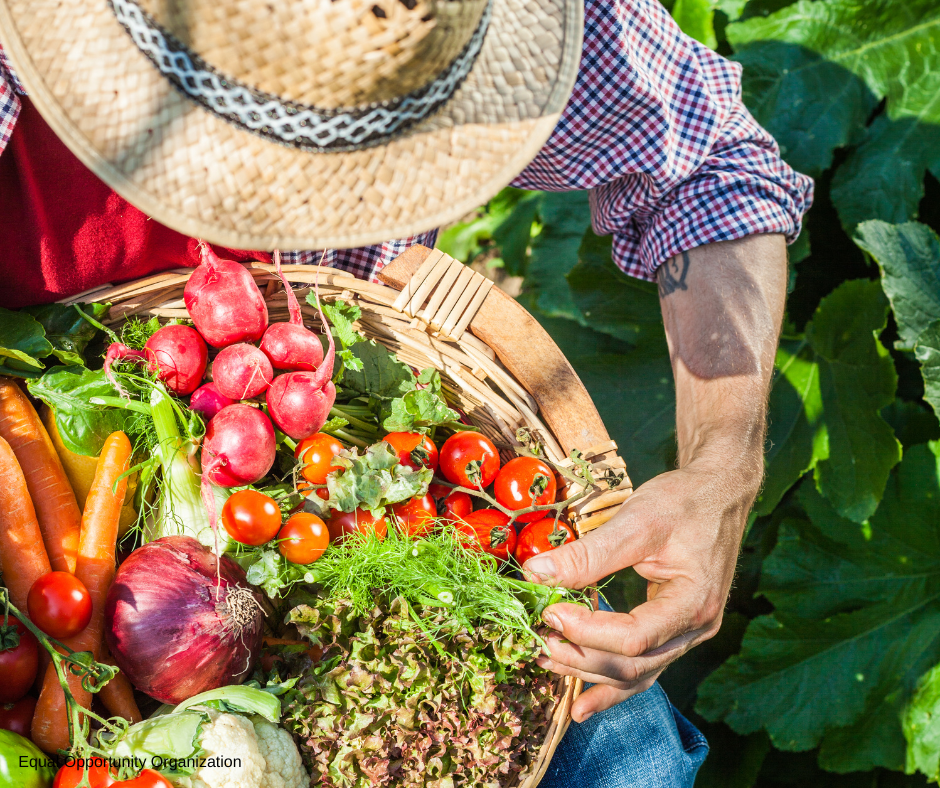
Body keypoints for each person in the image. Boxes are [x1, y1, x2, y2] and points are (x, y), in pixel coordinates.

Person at [0, 0, 811, 782]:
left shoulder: (475, 17)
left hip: (353, 499)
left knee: (634, 766)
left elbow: (707, 161)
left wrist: (723, 472)